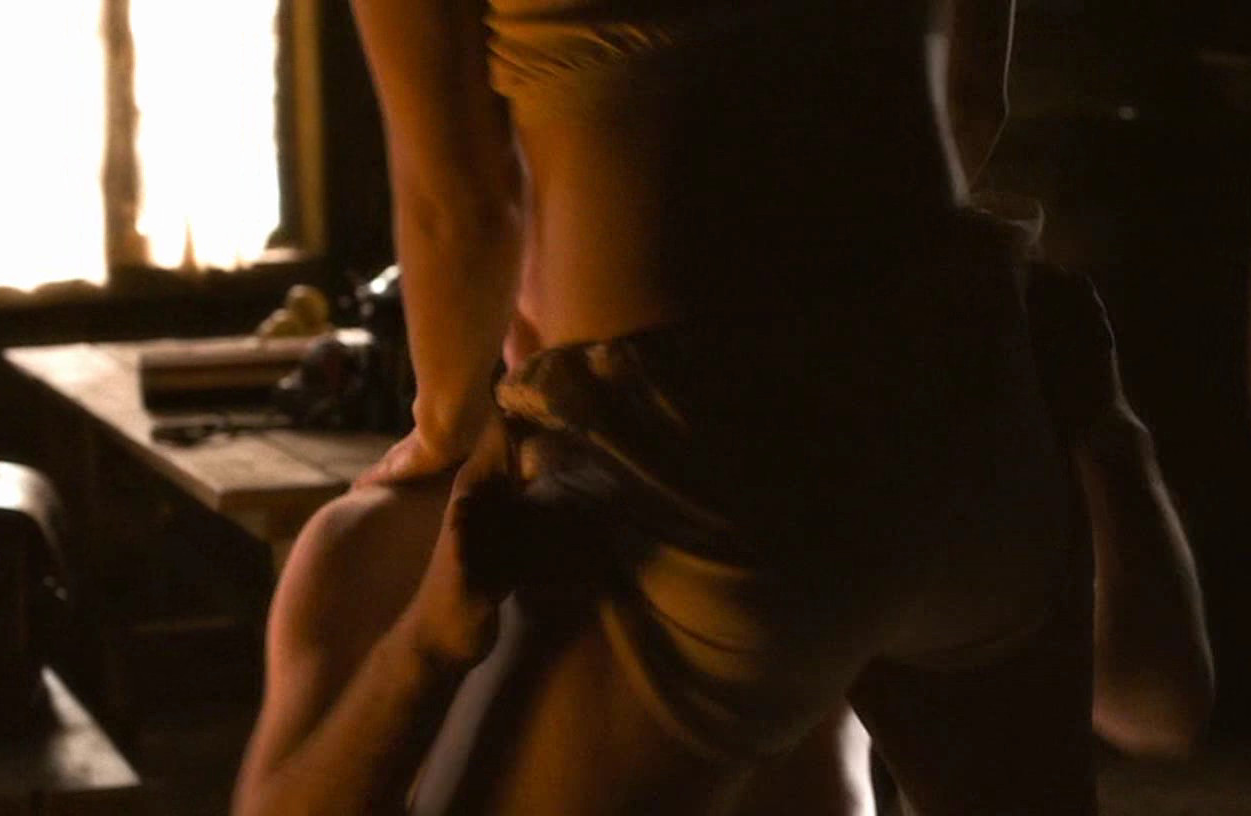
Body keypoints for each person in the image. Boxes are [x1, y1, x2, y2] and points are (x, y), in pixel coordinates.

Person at [235, 0, 1098, 813]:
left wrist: (441, 433)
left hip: (709, 448)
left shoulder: (402, 538)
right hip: (961, 383)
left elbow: (462, 209)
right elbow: (972, 104)